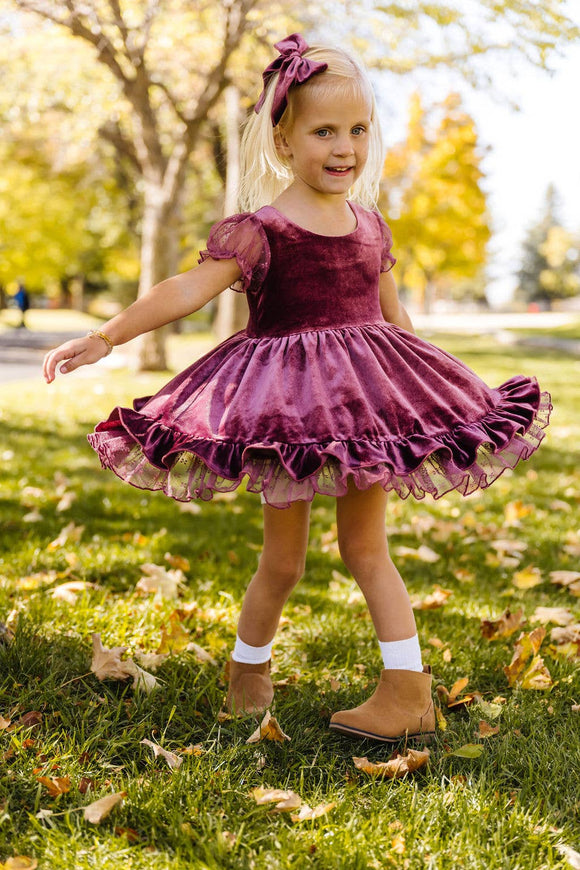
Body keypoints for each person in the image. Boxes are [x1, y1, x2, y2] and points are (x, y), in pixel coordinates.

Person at [43, 34, 551, 744]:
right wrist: (105, 337)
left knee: (366, 550)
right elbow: (186, 289)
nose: (345, 148)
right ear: (283, 139)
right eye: (324, 132)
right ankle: (249, 672)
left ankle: (408, 690)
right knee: (282, 560)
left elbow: (395, 323)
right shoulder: (261, 232)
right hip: (285, 414)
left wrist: (441, 390)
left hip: (366, 411)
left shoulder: (372, 226)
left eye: (358, 131)